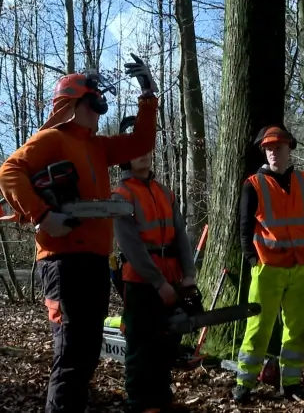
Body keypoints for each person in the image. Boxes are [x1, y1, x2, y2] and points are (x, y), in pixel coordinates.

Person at [0, 55, 159, 413]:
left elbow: (141, 141)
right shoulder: (53, 139)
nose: (99, 106)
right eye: (93, 99)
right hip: (62, 262)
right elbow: (7, 173)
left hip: (95, 261)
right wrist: (42, 214)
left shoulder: (97, 146)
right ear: (74, 103)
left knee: (85, 357)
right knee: (70, 355)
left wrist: (148, 93)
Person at [111, 116, 197, 413]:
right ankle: (139, 403)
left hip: (172, 275)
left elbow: (181, 236)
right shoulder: (120, 195)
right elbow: (131, 246)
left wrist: (189, 275)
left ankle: (161, 398)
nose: (143, 154)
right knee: (140, 345)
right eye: (136, 148)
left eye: (146, 147)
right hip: (141, 280)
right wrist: (158, 283)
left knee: (167, 342)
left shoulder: (165, 193)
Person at [231, 125, 304, 403]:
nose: (273, 153)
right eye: (268, 148)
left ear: (289, 149)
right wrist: (252, 259)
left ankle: (291, 382)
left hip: (301, 267)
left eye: (278, 148)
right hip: (268, 268)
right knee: (258, 327)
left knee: (298, 328)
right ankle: (245, 382)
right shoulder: (253, 185)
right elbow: (244, 227)